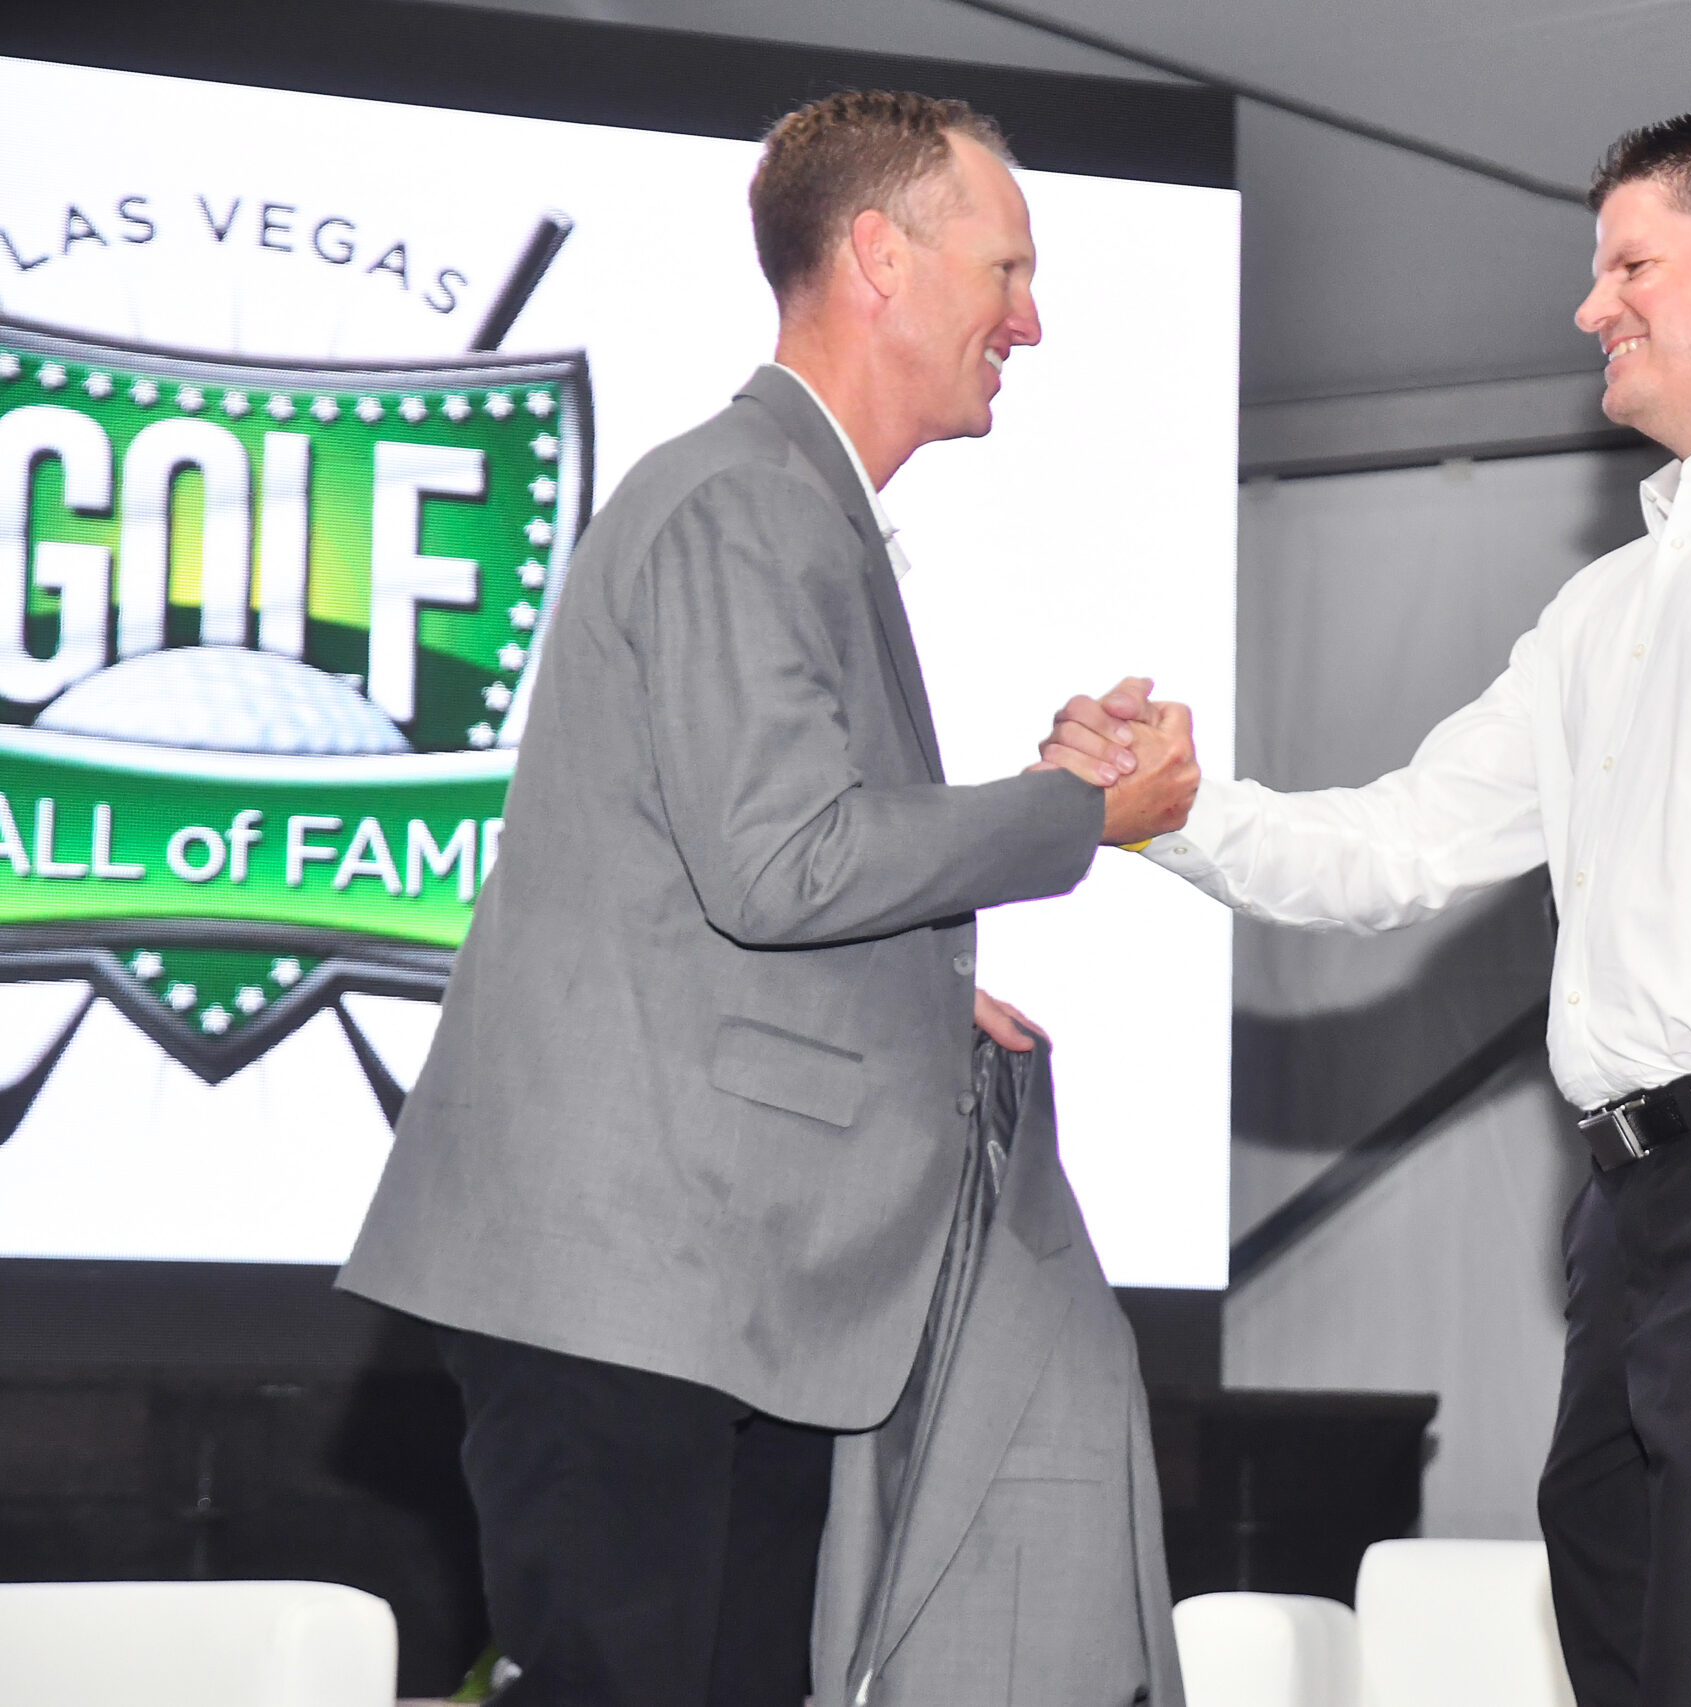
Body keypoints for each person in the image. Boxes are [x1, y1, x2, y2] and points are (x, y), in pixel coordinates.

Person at [1051, 107, 1691, 1706]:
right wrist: (1181, 811)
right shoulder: (1611, 603)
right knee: (1630, 1648)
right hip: (1637, 1202)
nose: (1588, 305)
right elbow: (1401, 843)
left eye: (1628, 265)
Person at [339, 92, 1196, 1707]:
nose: (1030, 321)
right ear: (880, 257)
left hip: (704, 1291)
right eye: (1007, 270)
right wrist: (1081, 814)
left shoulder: (784, 504)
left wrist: (919, 995)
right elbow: (785, 858)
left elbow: (705, 870)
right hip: (631, 1284)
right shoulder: (745, 500)